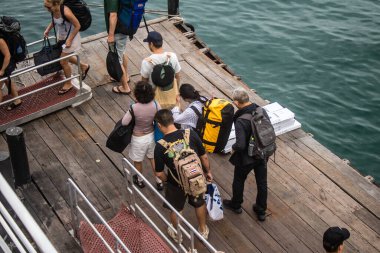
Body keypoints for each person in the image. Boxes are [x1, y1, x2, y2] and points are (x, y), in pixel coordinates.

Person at [154, 109, 212, 241]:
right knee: (199, 203)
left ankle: (177, 233)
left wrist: (168, 181)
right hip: (196, 178)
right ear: (172, 120)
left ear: (159, 125)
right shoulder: (190, 133)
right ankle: (203, 229)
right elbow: (204, 157)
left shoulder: (160, 146)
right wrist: (207, 172)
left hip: (176, 183)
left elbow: (158, 172)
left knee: (175, 209)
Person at [223, 87, 268, 221]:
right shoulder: (261, 110)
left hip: (247, 157)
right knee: (262, 183)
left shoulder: (241, 120)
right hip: (262, 153)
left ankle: (236, 204)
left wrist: (233, 148)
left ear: (236, 102)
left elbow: (241, 144)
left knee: (239, 180)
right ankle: (261, 210)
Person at [122, 81, 163, 190]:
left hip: (138, 138)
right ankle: (159, 181)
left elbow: (124, 122)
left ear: (136, 94)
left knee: (138, 161)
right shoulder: (155, 104)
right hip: (152, 136)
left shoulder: (134, 107)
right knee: (153, 158)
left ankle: (140, 180)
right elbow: (160, 116)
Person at [43, 0, 90, 95]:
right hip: (62, 37)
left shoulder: (66, 12)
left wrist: (69, 40)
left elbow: (77, 26)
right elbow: (54, 21)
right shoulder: (54, 11)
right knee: (63, 57)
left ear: (56, 4)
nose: (47, 9)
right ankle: (84, 66)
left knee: (63, 61)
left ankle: (69, 83)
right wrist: (47, 29)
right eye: (46, 7)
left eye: (48, 7)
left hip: (71, 39)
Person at [141, 31, 181, 109]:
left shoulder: (146, 61)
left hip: (156, 97)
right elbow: (178, 76)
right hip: (172, 95)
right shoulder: (172, 56)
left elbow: (144, 83)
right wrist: (177, 92)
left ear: (151, 44)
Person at [104, 0, 131, 95]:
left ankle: (125, 87)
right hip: (125, 28)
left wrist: (111, 35)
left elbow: (113, 15)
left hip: (117, 32)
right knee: (122, 52)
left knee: (117, 60)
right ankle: (125, 76)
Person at [0, 34, 22, 110]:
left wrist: (2, 70)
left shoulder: (0, 41)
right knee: (7, 80)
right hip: (2, 65)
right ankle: (17, 100)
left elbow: (7, 55)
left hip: (4, 66)